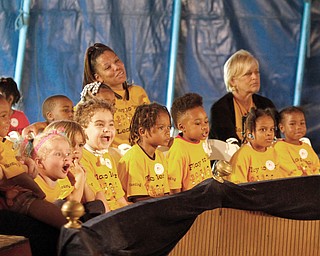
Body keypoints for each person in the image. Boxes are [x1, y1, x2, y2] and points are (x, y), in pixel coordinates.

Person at [0, 95, 66, 228]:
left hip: (12, 192)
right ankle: (77, 233)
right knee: (43, 208)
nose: (8, 120)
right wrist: (39, 194)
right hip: (16, 195)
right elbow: (18, 176)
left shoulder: (5, 143)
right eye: (3, 116)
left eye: (8, 115)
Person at [83, 43, 150, 147]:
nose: (117, 67)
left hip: (140, 155)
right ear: (98, 77)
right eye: (108, 67)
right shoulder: (95, 99)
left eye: (117, 61)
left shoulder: (138, 92)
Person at [209, 49, 279, 145]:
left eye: (257, 72)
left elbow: (275, 139)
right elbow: (229, 145)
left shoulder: (266, 104)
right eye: (248, 74)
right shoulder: (220, 108)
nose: (255, 77)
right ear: (233, 80)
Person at [74, 98, 128, 212]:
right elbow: (96, 200)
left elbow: (119, 197)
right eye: (100, 124)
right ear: (83, 130)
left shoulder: (108, 156)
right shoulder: (82, 158)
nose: (107, 129)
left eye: (111, 124)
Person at [117, 103, 171, 202]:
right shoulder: (134, 159)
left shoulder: (160, 155)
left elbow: (165, 193)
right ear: (142, 132)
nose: (167, 132)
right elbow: (138, 199)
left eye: (169, 127)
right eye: (161, 128)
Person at [167, 93, 212, 194]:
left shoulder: (201, 141)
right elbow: (174, 190)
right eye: (197, 123)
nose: (204, 127)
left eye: (206, 121)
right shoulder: (178, 150)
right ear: (181, 127)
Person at [45, 120, 98, 204]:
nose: (76, 150)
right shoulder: (57, 171)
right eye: (71, 145)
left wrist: (83, 179)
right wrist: (80, 177)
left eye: (80, 145)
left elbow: (91, 201)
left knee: (97, 205)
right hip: (61, 212)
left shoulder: (77, 168)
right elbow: (72, 205)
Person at [227, 108, 285, 184]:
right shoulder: (242, 155)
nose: (269, 133)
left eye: (272, 129)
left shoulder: (273, 152)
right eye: (263, 129)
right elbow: (237, 185)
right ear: (250, 134)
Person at [274, 106, 320, 176]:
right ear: (282, 128)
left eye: (302, 123)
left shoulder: (306, 146)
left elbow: (317, 166)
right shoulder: (280, 146)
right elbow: (289, 169)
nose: (298, 127)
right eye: (292, 124)